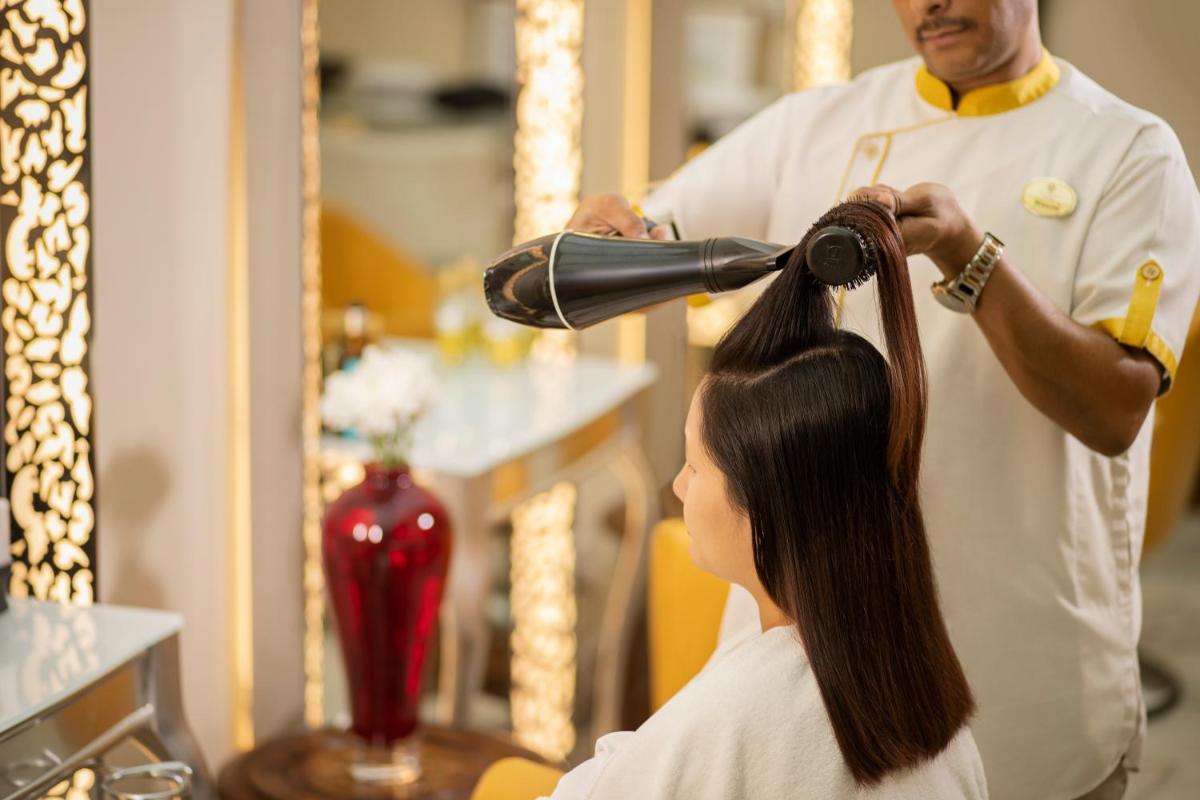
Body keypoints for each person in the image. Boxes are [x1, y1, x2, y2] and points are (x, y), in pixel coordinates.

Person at [567, 2, 1200, 798]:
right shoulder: (819, 122)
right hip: (809, 686)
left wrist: (971, 258)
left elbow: (1115, 411)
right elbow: (661, 226)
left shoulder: (1129, 151)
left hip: (1022, 651)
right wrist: (615, 239)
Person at [544, 201, 986, 800]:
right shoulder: (914, 676)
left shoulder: (737, 713)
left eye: (695, 465)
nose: (678, 486)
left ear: (769, 507)